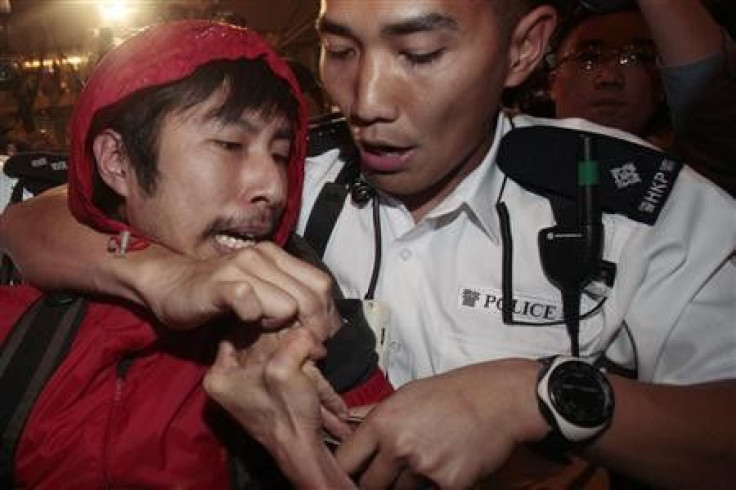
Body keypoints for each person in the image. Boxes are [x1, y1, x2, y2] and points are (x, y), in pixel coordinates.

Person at [1, 0, 735, 488]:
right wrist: (163, 275)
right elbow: (43, 217)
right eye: (341, 50)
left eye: (418, 52)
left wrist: (534, 396)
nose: (367, 101)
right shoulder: (286, 170)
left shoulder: (624, 196)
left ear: (523, 50)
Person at [0, 20, 392, 488]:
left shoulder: (306, 338)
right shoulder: (27, 325)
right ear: (117, 163)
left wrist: (339, 360)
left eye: (281, 154)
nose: (272, 186)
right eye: (229, 145)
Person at [547, 0, 736, 195]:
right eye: (589, 57)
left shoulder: (692, 177)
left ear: (663, 84)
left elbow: (703, 80)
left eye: (638, 57)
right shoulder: (517, 158)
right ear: (552, 82)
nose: (610, 78)